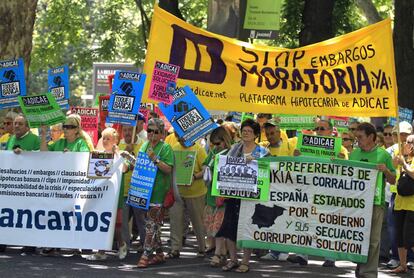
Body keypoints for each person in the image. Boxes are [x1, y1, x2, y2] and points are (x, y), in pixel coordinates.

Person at [216, 119, 269, 273]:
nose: (245, 133)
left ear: (256, 135)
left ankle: (245, 261)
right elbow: (224, 167)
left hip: (252, 198)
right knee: (229, 227)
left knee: (247, 227)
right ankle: (233, 259)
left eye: (249, 131)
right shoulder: (234, 149)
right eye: (244, 131)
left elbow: (269, 171)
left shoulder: (262, 152)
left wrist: (257, 162)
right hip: (233, 195)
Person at [350, 122, 396, 278]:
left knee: (373, 240)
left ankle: (368, 273)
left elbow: (393, 180)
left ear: (371, 137)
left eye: (361, 137)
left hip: (375, 203)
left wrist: (386, 170)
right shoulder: (354, 153)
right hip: (356, 204)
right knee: (357, 237)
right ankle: (360, 267)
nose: (358, 141)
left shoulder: (384, 155)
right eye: (356, 138)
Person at [135, 118, 174, 268]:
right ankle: (159, 253)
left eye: (155, 131)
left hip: (159, 192)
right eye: (149, 130)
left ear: (162, 133)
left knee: (151, 225)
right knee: (152, 225)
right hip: (144, 191)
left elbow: (168, 169)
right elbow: (140, 165)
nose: (151, 134)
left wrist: (155, 160)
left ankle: (145, 254)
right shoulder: (144, 145)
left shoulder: (165, 148)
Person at [86, 128, 127, 261]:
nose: (104, 141)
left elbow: (125, 168)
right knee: (101, 222)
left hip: (115, 194)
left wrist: (117, 153)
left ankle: (122, 244)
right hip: (101, 194)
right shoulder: (99, 154)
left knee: (115, 225)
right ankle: (101, 251)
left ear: (116, 141)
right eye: (103, 138)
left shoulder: (120, 154)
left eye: (108, 138)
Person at [167, 133, 208, 259]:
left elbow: (206, 169)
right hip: (178, 192)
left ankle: (202, 247)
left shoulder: (199, 150)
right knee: (175, 220)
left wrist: (195, 176)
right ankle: (175, 249)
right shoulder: (174, 148)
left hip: (196, 192)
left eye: (182, 136)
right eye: (178, 136)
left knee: (198, 222)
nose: (180, 139)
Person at [4, 114, 40, 255]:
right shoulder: (11, 139)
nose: (16, 126)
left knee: (27, 214)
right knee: (8, 213)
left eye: (20, 124)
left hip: (29, 184)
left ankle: (29, 244)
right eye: (15, 123)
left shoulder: (35, 139)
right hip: (11, 183)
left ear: (27, 127)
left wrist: (25, 154)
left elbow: (42, 158)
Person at [259, 119, 290, 262]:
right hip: (268, 190)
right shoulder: (263, 148)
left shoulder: (289, 146)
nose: (270, 136)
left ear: (279, 132)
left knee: (283, 220)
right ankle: (273, 251)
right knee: (271, 220)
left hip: (286, 190)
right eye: (267, 134)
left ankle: (284, 250)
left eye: (272, 133)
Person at [202, 127, 232, 267]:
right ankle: (222, 252)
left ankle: (218, 254)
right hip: (210, 194)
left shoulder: (231, 154)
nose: (216, 147)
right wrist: (205, 170)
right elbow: (204, 165)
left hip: (223, 196)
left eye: (218, 143)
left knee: (218, 227)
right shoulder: (213, 152)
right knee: (211, 226)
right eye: (213, 144)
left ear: (225, 141)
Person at [392, 134, 414, 273]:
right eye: (406, 141)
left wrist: (404, 165)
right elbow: (394, 167)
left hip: (412, 205)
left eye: (409, 141)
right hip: (400, 202)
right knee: (399, 236)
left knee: (409, 237)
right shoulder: (404, 157)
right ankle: (403, 264)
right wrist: (399, 160)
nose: (406, 144)